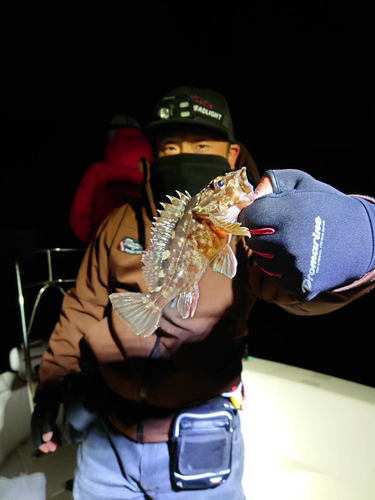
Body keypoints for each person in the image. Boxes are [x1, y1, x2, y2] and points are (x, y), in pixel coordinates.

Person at [31, 86, 375, 500]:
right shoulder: (119, 221)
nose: (182, 155)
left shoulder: (249, 228)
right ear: (155, 154)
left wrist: (358, 248)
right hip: (109, 437)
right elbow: (82, 308)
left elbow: (293, 293)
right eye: (171, 146)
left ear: (231, 155)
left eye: (200, 143)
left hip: (201, 438)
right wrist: (49, 390)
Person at [70, 114, 154, 243]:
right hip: (151, 245)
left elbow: (79, 215)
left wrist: (93, 241)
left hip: (105, 243)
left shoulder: (97, 171)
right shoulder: (154, 171)